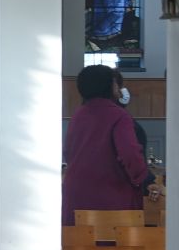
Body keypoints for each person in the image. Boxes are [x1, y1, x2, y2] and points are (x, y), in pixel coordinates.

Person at [62, 65, 155, 225]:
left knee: (79, 240)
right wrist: (144, 179)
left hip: (76, 195)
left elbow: (68, 153)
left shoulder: (77, 115)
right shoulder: (118, 115)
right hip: (110, 196)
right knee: (113, 241)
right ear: (109, 85)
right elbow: (130, 154)